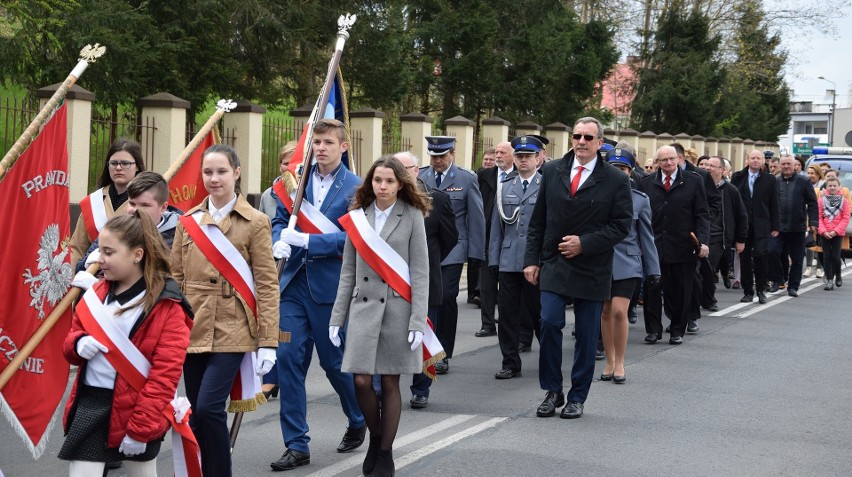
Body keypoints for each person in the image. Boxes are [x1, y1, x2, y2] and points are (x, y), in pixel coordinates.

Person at [171, 144, 280, 476]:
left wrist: (268, 341)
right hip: (193, 328)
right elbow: (175, 278)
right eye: (207, 172)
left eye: (221, 172)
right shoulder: (187, 222)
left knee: (209, 408)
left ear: (236, 172)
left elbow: (266, 284)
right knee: (197, 411)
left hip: (234, 327)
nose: (214, 179)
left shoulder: (255, 221)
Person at [60, 212, 192, 477]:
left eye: (108, 252)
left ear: (137, 254)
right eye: (99, 250)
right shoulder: (95, 292)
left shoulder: (167, 305)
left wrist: (141, 429)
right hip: (90, 403)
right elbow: (70, 342)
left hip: (139, 406)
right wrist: (78, 343)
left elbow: (164, 377)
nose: (98, 259)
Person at [270, 119, 366, 471]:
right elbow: (280, 219)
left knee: (334, 364)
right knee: (289, 362)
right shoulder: (296, 182)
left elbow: (356, 239)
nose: (320, 148)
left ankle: (358, 417)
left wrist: (312, 241)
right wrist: (278, 238)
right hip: (293, 285)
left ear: (343, 147)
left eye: (327, 142)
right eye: (316, 142)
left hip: (331, 289)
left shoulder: (357, 188)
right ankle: (296, 443)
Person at [524, 117, 632, 419]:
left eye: (588, 137)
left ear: (600, 142)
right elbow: (538, 221)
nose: (581, 142)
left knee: (586, 334)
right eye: (577, 136)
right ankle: (552, 390)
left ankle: (577, 396)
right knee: (548, 321)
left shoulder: (615, 179)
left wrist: (585, 243)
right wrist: (532, 260)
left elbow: (621, 226)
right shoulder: (552, 170)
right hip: (555, 262)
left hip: (592, 266)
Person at [329, 155, 430, 477]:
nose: (382, 186)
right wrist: (336, 317)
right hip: (364, 309)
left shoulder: (412, 216)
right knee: (360, 380)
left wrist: (418, 320)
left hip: (398, 309)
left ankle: (383, 453)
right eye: (377, 180)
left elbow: (420, 272)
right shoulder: (357, 218)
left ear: (401, 184)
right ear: (370, 183)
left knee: (389, 380)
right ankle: (376, 437)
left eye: (389, 180)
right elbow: (348, 273)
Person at [395, 151, 458, 409]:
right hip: (392, 279)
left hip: (425, 280)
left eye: (403, 169)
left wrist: (430, 258)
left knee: (423, 333)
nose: (397, 174)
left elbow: (450, 237)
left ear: (416, 170)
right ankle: (384, 385)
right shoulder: (383, 200)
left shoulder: (436, 199)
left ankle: (421, 388)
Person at [418, 136, 486, 374]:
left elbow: (476, 217)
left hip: (455, 246)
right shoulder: (420, 178)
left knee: (447, 297)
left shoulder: (467, 179)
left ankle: (443, 352)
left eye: (442, 156)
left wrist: (476, 253)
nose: (437, 160)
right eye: (433, 156)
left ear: (452, 154)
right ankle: (426, 349)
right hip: (427, 248)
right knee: (427, 299)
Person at [638, 145, 710, 345]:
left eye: (672, 159)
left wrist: (702, 241)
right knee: (652, 288)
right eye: (664, 160)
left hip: (683, 245)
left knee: (681, 290)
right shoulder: (646, 183)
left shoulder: (694, 181)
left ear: (679, 159)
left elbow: (702, 214)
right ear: (657, 163)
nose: (669, 163)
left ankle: (678, 329)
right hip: (654, 245)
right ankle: (653, 330)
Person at [601, 148, 660, 383]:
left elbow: (647, 236)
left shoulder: (640, 200)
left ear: (630, 171)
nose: (619, 172)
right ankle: (609, 360)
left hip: (628, 262)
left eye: (623, 169)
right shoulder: (596, 196)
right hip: (602, 261)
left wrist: (653, 269)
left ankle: (621, 362)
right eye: (614, 168)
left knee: (618, 310)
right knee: (605, 312)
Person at [489, 136, 543, 380]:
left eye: (528, 156)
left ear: (538, 158)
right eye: (519, 156)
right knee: (508, 314)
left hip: (536, 261)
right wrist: (494, 260)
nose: (523, 160)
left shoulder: (546, 185)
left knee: (539, 313)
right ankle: (510, 362)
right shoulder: (505, 186)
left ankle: (549, 358)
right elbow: (496, 228)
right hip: (509, 260)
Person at [76, 172, 182, 274]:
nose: (135, 210)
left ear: (163, 207)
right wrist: (89, 263)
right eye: (132, 203)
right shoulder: (113, 229)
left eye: (144, 205)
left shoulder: (180, 236)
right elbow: (79, 268)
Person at [70, 138, 145, 265]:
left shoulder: (145, 201)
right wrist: (71, 281)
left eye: (125, 163)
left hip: (130, 274)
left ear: (137, 166)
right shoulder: (93, 202)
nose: (119, 168)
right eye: (114, 163)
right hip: (93, 276)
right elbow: (76, 249)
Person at [475, 141, 515, 337]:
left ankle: (510, 325)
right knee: (487, 282)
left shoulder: (520, 176)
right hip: (487, 234)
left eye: (502, 152)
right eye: (496, 152)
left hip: (511, 236)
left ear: (512, 156)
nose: (498, 156)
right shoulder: (484, 176)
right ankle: (487, 324)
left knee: (508, 284)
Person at [730, 150, 780, 304]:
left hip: (762, 224)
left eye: (759, 158)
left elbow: (774, 203)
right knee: (744, 258)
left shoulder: (769, 179)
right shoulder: (737, 177)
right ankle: (748, 292)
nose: (756, 161)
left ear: (763, 161)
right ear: (747, 160)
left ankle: (760, 289)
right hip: (743, 225)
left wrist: (775, 225)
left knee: (761, 256)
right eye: (753, 158)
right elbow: (732, 202)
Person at [698, 156, 748, 308]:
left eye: (711, 166)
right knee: (698, 270)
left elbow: (741, 215)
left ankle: (708, 300)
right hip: (699, 234)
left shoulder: (731, 190)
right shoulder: (698, 186)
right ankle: (698, 299)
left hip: (718, 237)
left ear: (722, 170)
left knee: (707, 268)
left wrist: (740, 239)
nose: (707, 168)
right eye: (705, 165)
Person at [767, 155, 818, 297]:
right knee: (772, 251)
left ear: (795, 165)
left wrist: (813, 223)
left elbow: (812, 203)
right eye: (783, 164)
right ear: (779, 166)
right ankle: (777, 280)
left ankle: (793, 286)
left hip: (797, 226)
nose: (786, 166)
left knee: (796, 258)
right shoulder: (774, 181)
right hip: (777, 227)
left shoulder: (804, 181)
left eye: (788, 164)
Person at [818, 177, 850, 290]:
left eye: (834, 185)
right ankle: (830, 280)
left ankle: (838, 276)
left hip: (837, 233)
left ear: (839, 187)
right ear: (826, 187)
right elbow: (819, 218)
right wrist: (823, 231)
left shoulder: (844, 201)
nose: (832, 187)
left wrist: (835, 231)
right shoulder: (821, 201)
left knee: (836, 257)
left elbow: (845, 218)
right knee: (826, 256)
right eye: (830, 185)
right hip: (825, 233)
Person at [260, 141, 298, 219]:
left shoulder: (309, 193)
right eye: (286, 164)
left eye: (293, 163)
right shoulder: (267, 196)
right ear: (280, 166)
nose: (289, 168)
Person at [804, 164, 825, 278]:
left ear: (818, 174)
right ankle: (808, 267)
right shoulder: (805, 184)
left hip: (821, 217)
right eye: (808, 173)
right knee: (809, 241)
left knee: (819, 243)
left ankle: (819, 267)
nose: (810, 175)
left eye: (812, 173)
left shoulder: (823, 186)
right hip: (808, 215)